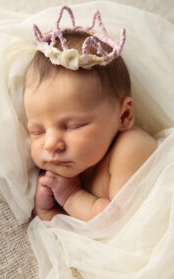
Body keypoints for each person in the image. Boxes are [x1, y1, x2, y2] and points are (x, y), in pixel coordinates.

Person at [23, 6, 158, 222]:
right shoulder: (73, 168)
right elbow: (77, 237)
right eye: (37, 131)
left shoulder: (130, 148)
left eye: (73, 126)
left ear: (123, 116)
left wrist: (70, 196)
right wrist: (47, 212)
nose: (50, 144)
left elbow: (121, 224)